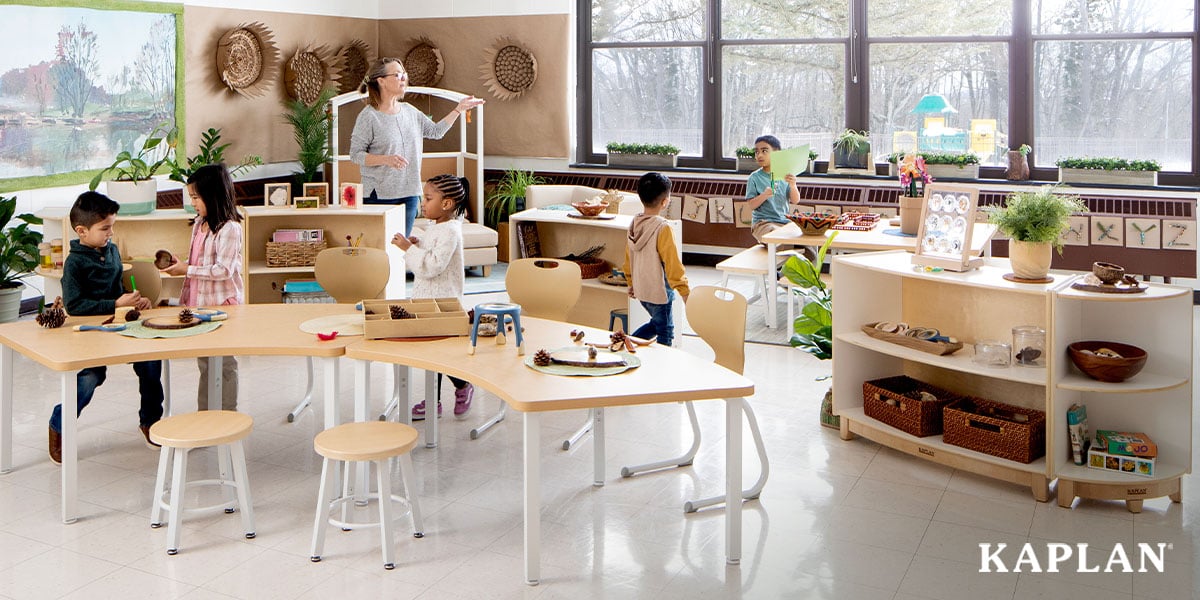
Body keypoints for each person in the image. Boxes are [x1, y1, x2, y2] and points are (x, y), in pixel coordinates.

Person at [49, 191, 162, 464]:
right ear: (81, 231)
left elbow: (116, 288)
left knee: (150, 361)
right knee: (90, 378)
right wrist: (115, 303)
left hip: (120, 323)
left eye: (112, 226)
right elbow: (75, 305)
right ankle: (58, 425)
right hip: (89, 331)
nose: (111, 232)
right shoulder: (74, 263)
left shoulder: (111, 250)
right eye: (105, 228)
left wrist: (133, 300)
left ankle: (150, 421)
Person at [351, 57, 485, 237]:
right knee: (382, 249)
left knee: (402, 248)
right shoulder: (368, 117)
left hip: (409, 193)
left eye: (404, 74)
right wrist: (385, 159)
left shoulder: (410, 111)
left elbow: (436, 132)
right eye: (397, 74)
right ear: (381, 81)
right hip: (378, 195)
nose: (403, 78)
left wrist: (458, 109)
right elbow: (355, 154)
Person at [391, 174, 475, 420]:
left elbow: (433, 265)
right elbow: (430, 250)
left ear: (447, 204)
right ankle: (435, 400)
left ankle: (460, 387)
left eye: (428, 198)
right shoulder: (437, 227)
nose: (423, 203)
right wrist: (417, 243)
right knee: (432, 357)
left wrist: (408, 249)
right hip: (428, 301)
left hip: (444, 303)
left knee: (440, 357)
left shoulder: (450, 232)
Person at [164, 163, 244, 412]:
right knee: (206, 363)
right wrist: (182, 265)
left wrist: (186, 270)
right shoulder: (199, 224)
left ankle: (227, 415)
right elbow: (199, 263)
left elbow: (223, 270)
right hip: (200, 306)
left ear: (213, 195)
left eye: (196, 197)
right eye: (191, 197)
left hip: (222, 307)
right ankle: (205, 416)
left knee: (225, 364)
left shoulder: (230, 228)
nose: (193, 203)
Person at [622, 172, 690, 347]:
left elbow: (628, 258)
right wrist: (684, 291)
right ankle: (629, 347)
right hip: (659, 292)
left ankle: (625, 343)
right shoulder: (663, 227)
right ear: (665, 201)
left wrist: (631, 282)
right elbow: (672, 263)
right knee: (665, 330)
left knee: (658, 323)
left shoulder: (634, 223)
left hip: (642, 290)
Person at [745, 135, 801, 244]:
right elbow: (751, 205)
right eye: (756, 152)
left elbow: (795, 200)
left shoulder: (785, 174)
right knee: (777, 237)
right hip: (763, 224)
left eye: (764, 151)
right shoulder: (754, 177)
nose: (759, 155)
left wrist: (793, 185)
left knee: (807, 243)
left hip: (784, 222)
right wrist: (764, 195)